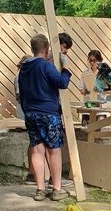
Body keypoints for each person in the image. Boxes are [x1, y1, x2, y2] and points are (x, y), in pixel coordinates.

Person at [18, 33, 71, 201]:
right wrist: (66, 68)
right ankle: (56, 189)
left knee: (37, 150)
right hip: (48, 114)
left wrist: (27, 110)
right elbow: (62, 82)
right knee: (54, 150)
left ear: (33, 49)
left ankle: (40, 189)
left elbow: (22, 94)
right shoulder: (45, 66)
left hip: (31, 114)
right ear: (47, 50)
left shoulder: (24, 69)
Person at [15, 55, 34, 184]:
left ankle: (32, 172)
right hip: (25, 109)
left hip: (26, 108)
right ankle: (31, 172)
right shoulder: (20, 76)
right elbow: (19, 95)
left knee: (33, 141)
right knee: (32, 140)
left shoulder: (23, 74)